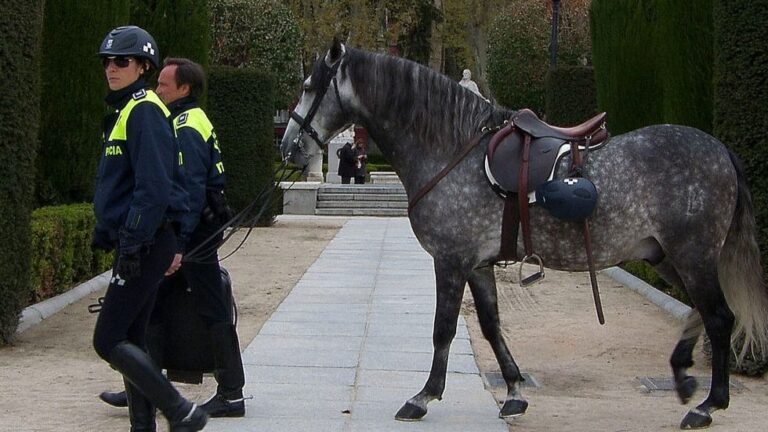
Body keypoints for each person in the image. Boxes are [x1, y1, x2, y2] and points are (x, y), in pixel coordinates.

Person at [99, 58, 246, 418]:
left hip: (194, 237)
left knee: (211, 307)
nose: (158, 90)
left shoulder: (186, 123)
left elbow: (189, 188)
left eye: (164, 85)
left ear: (184, 89)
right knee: (152, 310)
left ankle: (230, 393)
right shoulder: (179, 118)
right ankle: (143, 384)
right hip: (190, 234)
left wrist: (179, 247)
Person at [91, 26, 208, 431]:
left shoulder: (142, 109)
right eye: (107, 61)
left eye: (122, 61)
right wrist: (107, 230)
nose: (112, 68)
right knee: (134, 339)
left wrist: (133, 242)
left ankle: (181, 411)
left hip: (147, 242)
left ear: (143, 66)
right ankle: (143, 426)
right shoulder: (128, 110)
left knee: (107, 340)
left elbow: (154, 187)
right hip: (143, 241)